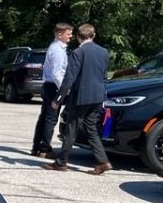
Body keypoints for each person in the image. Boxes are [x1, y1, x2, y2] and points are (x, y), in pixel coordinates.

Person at [43, 24, 112, 175]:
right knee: (91, 128)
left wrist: (58, 98)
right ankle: (103, 161)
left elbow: (69, 78)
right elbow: (103, 75)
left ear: (79, 37)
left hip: (81, 96)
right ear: (93, 36)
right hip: (98, 96)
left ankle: (61, 162)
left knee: (71, 129)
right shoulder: (104, 52)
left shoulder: (78, 53)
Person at [31, 22, 73, 157]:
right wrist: (64, 89)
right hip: (53, 87)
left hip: (49, 86)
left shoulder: (56, 48)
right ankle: (44, 148)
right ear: (59, 34)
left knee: (44, 117)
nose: (70, 36)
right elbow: (56, 74)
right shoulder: (58, 51)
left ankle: (37, 147)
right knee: (50, 118)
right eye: (68, 34)